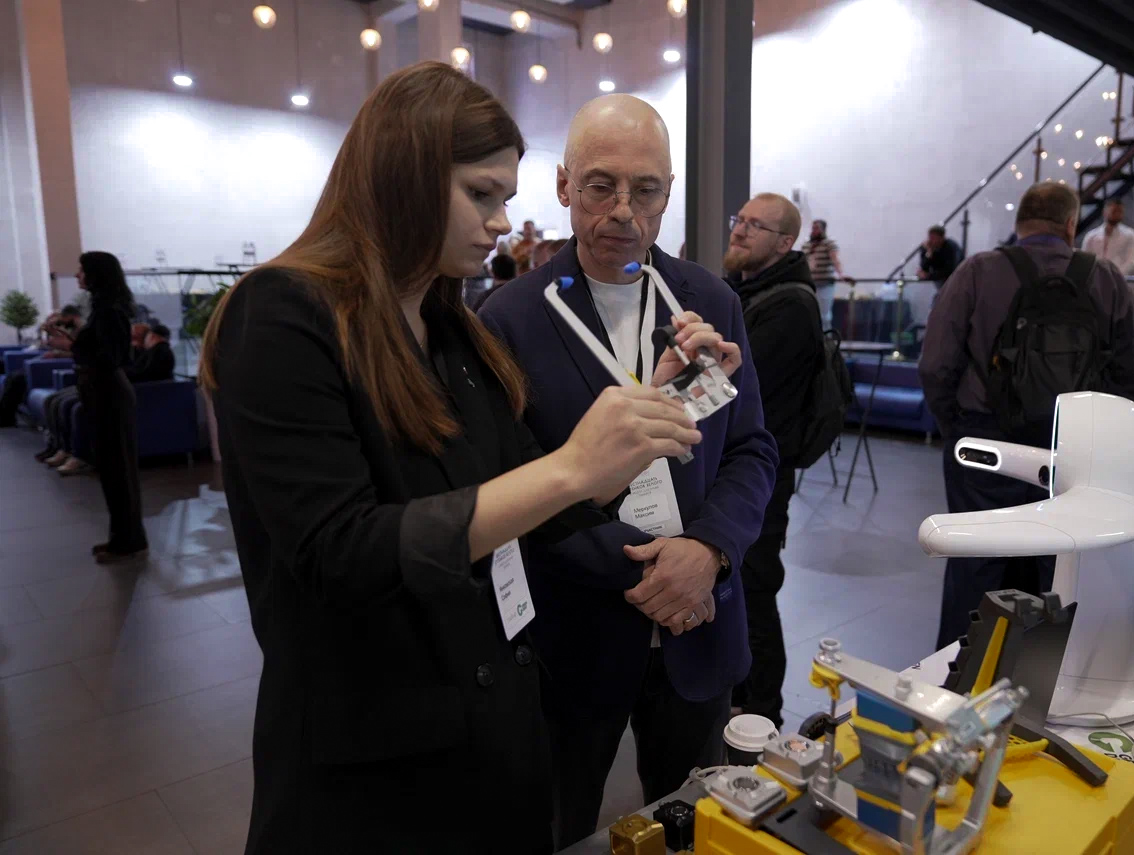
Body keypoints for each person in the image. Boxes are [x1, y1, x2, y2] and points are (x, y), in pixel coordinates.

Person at [196, 63, 709, 854]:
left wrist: (656, 409)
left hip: (491, 722)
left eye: (505, 196)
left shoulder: (453, 329)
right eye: (481, 194)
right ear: (403, 176)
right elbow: (341, 550)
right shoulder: (283, 314)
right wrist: (571, 467)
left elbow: (542, 497)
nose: (503, 220)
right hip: (373, 756)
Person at [479, 94, 777, 849]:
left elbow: (750, 448)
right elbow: (514, 482)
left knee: (694, 823)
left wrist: (707, 552)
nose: (623, 211)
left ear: (669, 192)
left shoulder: (709, 303)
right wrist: (650, 570)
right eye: (600, 185)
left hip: (700, 616)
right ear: (563, 185)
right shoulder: (510, 318)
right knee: (558, 822)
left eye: (645, 190)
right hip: (577, 629)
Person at [919, 182, 1134, 650]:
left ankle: (960, 676)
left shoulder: (978, 271)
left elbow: (935, 364)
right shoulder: (1105, 277)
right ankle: (1049, 678)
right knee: (1061, 566)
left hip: (986, 442)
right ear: (1071, 225)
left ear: (1019, 223)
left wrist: (956, 429)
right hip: (1072, 446)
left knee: (976, 561)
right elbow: (1132, 374)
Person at [722, 192, 825, 728]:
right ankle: (739, 697)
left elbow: (730, 387)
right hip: (737, 466)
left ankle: (763, 714)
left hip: (762, 472)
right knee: (738, 584)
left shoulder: (790, 307)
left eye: (754, 225)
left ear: (785, 243)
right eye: (739, 220)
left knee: (755, 588)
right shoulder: (747, 292)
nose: (739, 230)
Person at [70, 252, 149, 561]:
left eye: (82, 270)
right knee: (112, 469)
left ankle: (128, 540)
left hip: (109, 394)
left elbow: (112, 357)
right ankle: (123, 537)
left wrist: (75, 345)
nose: (77, 275)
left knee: (119, 471)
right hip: (104, 393)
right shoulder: (103, 308)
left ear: (96, 274)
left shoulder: (109, 311)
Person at [0, 305, 82, 426]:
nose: (62, 320)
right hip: (48, 362)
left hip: (57, 365)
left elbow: (77, 352)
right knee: (13, 376)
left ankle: (5, 418)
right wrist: (51, 331)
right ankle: (5, 416)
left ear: (72, 317)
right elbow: (58, 341)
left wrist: (58, 354)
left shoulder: (82, 332)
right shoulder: (71, 330)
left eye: (64, 317)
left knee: (17, 378)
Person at [802, 219, 844, 330]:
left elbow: (835, 260)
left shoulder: (829, 244)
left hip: (825, 284)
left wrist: (841, 274)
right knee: (809, 314)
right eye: (813, 228)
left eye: (817, 228)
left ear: (823, 230)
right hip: (810, 284)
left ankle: (826, 336)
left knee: (824, 315)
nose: (814, 230)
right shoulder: (806, 245)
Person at [1081, 200, 1134, 275]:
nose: (1117, 214)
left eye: (1120, 211)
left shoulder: (1130, 235)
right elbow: (1085, 259)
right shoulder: (1091, 236)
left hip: (1118, 277)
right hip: (1095, 277)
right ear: (1105, 211)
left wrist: (1115, 275)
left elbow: (1131, 261)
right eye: (1114, 211)